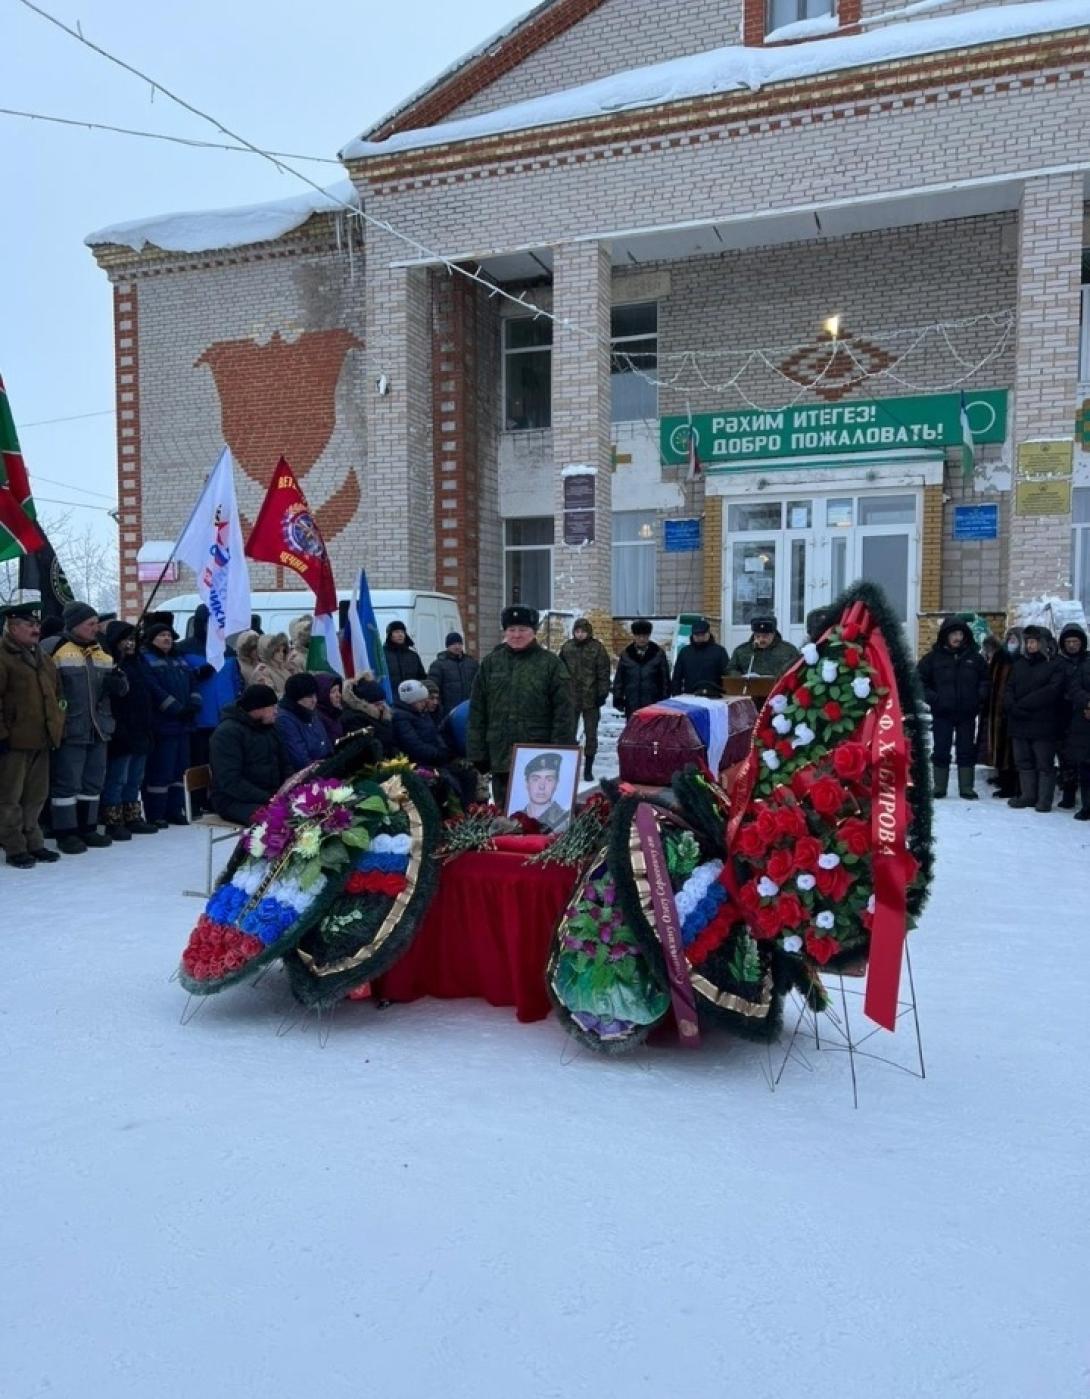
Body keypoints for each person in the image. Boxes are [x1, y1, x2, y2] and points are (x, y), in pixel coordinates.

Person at [41, 600, 129, 853]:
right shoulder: (54, 647)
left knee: (92, 782)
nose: (96, 628)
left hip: (99, 728)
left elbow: (122, 687)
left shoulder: (101, 649)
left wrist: (119, 684)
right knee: (67, 784)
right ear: (76, 624)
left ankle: (87, 828)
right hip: (71, 728)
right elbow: (45, 689)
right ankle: (66, 832)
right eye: (91, 624)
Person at [467, 604, 577, 804]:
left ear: (534, 632)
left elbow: (565, 713)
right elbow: (477, 711)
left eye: (523, 630)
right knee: (504, 815)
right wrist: (478, 752)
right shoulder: (491, 664)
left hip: (538, 756)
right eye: (511, 630)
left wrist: (559, 750)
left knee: (537, 817)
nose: (516, 635)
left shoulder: (551, 665)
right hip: (501, 754)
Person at [0, 593, 65, 868]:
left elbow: (58, 696)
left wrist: (58, 724)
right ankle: (14, 846)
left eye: (37, 624)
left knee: (36, 796)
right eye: (29, 624)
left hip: (42, 738)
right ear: (12, 627)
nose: (36, 629)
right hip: (13, 741)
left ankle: (34, 842)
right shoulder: (3, 658)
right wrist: (2, 735)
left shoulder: (44, 658)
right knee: (9, 798)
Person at [916, 617, 989, 799]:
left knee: (966, 750)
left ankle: (966, 788)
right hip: (942, 713)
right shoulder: (932, 658)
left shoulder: (975, 658)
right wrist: (934, 698)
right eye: (953, 634)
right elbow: (918, 681)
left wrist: (978, 697)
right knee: (941, 749)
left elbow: (986, 681)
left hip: (967, 713)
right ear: (945, 636)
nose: (957, 638)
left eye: (960, 634)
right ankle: (939, 787)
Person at [177, 603, 242, 806]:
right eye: (209, 623)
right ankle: (196, 802)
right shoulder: (184, 649)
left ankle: (219, 798)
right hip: (199, 717)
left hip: (225, 717)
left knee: (223, 763)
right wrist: (196, 674)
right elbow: (179, 681)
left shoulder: (229, 652)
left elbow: (236, 683)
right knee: (198, 762)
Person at [101, 621, 158, 839]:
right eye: (125, 639)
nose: (130, 644)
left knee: (135, 776)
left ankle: (132, 814)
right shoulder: (112, 664)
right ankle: (112, 818)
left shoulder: (139, 663)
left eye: (133, 639)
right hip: (121, 729)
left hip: (141, 728)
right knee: (118, 777)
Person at [141, 620, 201, 826]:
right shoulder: (146, 659)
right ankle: (156, 813)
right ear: (152, 639)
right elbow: (154, 689)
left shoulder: (179, 659)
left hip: (184, 725)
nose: (167, 639)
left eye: (169, 635)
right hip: (163, 724)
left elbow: (193, 682)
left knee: (179, 770)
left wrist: (194, 704)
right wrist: (175, 708)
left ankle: (175, 809)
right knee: (161, 770)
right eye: (161, 635)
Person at [209, 683, 290, 825]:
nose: (277, 712)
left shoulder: (269, 728)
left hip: (268, 795)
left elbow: (285, 763)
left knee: (305, 811)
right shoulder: (227, 733)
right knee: (278, 820)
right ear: (258, 709)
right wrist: (269, 798)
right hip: (233, 800)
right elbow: (230, 781)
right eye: (273, 707)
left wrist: (289, 788)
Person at [1004, 624, 1064, 811]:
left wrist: (1023, 704)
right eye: (1028, 641)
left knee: (1044, 763)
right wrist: (1012, 705)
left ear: (1044, 643)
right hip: (1019, 722)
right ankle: (1028, 796)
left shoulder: (1055, 664)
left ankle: (1044, 800)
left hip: (1043, 723)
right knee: (1023, 761)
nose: (1030, 645)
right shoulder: (1019, 664)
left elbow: (1051, 691)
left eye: (1034, 642)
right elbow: (1009, 688)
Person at [392, 678, 477, 807]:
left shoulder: (422, 714)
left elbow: (435, 735)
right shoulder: (401, 718)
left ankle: (469, 811)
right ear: (412, 701)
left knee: (467, 774)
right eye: (422, 701)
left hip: (436, 759)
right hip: (421, 763)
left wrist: (444, 751)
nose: (425, 704)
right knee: (450, 781)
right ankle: (457, 814)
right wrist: (438, 755)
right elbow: (414, 746)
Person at [560, 617, 611, 782]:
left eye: (583, 631)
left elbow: (603, 672)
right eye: (577, 631)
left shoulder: (597, 648)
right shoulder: (567, 648)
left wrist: (602, 694)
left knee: (591, 734)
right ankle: (569, 766)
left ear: (588, 632)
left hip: (591, 698)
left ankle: (588, 768)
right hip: (571, 698)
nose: (580, 634)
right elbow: (559, 671)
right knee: (568, 733)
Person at [983, 627, 1022, 798]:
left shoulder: (1021, 660)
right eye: (1010, 638)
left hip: (1014, 709)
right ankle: (1002, 778)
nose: (1012, 641)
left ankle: (1012, 785)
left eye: (1015, 638)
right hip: (995, 709)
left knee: (1013, 751)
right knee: (998, 746)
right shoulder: (1000, 656)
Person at [1056, 623, 1088, 809]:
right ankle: (1068, 793)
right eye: (1068, 641)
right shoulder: (1058, 662)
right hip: (1062, 715)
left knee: (1084, 759)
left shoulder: (1087, 660)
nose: (1072, 645)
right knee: (1065, 757)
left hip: (1084, 716)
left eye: (1075, 641)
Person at [612, 618, 671, 719]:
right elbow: (619, 679)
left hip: (653, 703)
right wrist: (618, 698)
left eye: (645, 636)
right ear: (634, 636)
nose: (642, 639)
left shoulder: (658, 654)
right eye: (639, 636)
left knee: (651, 733)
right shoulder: (626, 654)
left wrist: (664, 699)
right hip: (632, 703)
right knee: (633, 733)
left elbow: (665, 679)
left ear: (649, 636)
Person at [276, 671, 333, 773]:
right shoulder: (284, 720)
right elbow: (300, 759)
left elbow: (325, 740)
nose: (314, 700)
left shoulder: (308, 709)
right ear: (297, 697)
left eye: (315, 695)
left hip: (326, 767)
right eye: (309, 696)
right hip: (309, 776)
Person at [727, 615, 800, 679]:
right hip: (749, 691)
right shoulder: (741, 651)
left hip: (779, 692)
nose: (761, 639)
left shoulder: (789, 651)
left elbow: (797, 670)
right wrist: (740, 678)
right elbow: (730, 669)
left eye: (765, 636)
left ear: (773, 634)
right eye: (757, 636)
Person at [671, 617, 729, 697]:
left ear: (708, 633)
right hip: (690, 695)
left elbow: (727, 676)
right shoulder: (685, 652)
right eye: (697, 635)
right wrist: (676, 696)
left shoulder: (719, 651)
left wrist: (726, 695)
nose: (700, 637)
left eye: (702, 634)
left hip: (714, 696)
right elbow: (677, 678)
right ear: (692, 635)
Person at [516, 750, 571, 832]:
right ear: (527, 783)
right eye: (535, 779)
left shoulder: (564, 820)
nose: (542, 786)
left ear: (556, 784)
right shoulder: (516, 818)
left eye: (549, 779)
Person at [342, 675, 396, 755]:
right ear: (364, 704)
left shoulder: (380, 715)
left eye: (383, 703)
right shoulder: (353, 719)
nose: (382, 707)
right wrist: (386, 722)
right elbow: (382, 739)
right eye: (377, 704)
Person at [428, 631, 479, 717]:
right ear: (448, 646)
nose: (457, 646)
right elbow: (433, 689)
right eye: (454, 644)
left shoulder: (472, 663)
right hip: (448, 711)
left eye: (459, 644)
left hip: (469, 709)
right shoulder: (438, 665)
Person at [1067, 644, 1090, 820]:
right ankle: (1087, 806)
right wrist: (1087, 703)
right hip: (1084, 720)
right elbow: (1074, 687)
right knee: (1085, 765)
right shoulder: (1084, 665)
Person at [383, 620, 427, 692]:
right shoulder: (383, 655)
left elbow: (422, 677)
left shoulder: (413, 655)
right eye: (396, 632)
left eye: (402, 632)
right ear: (390, 635)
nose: (400, 635)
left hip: (412, 696)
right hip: (391, 696)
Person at [255, 632, 293, 697]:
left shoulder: (285, 669)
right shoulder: (263, 671)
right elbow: (270, 695)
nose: (282, 654)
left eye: (283, 651)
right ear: (268, 651)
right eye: (277, 651)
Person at [314, 672, 346, 747]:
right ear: (322, 694)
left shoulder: (334, 712)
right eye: (333, 691)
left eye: (338, 690)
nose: (338, 695)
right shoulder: (317, 718)